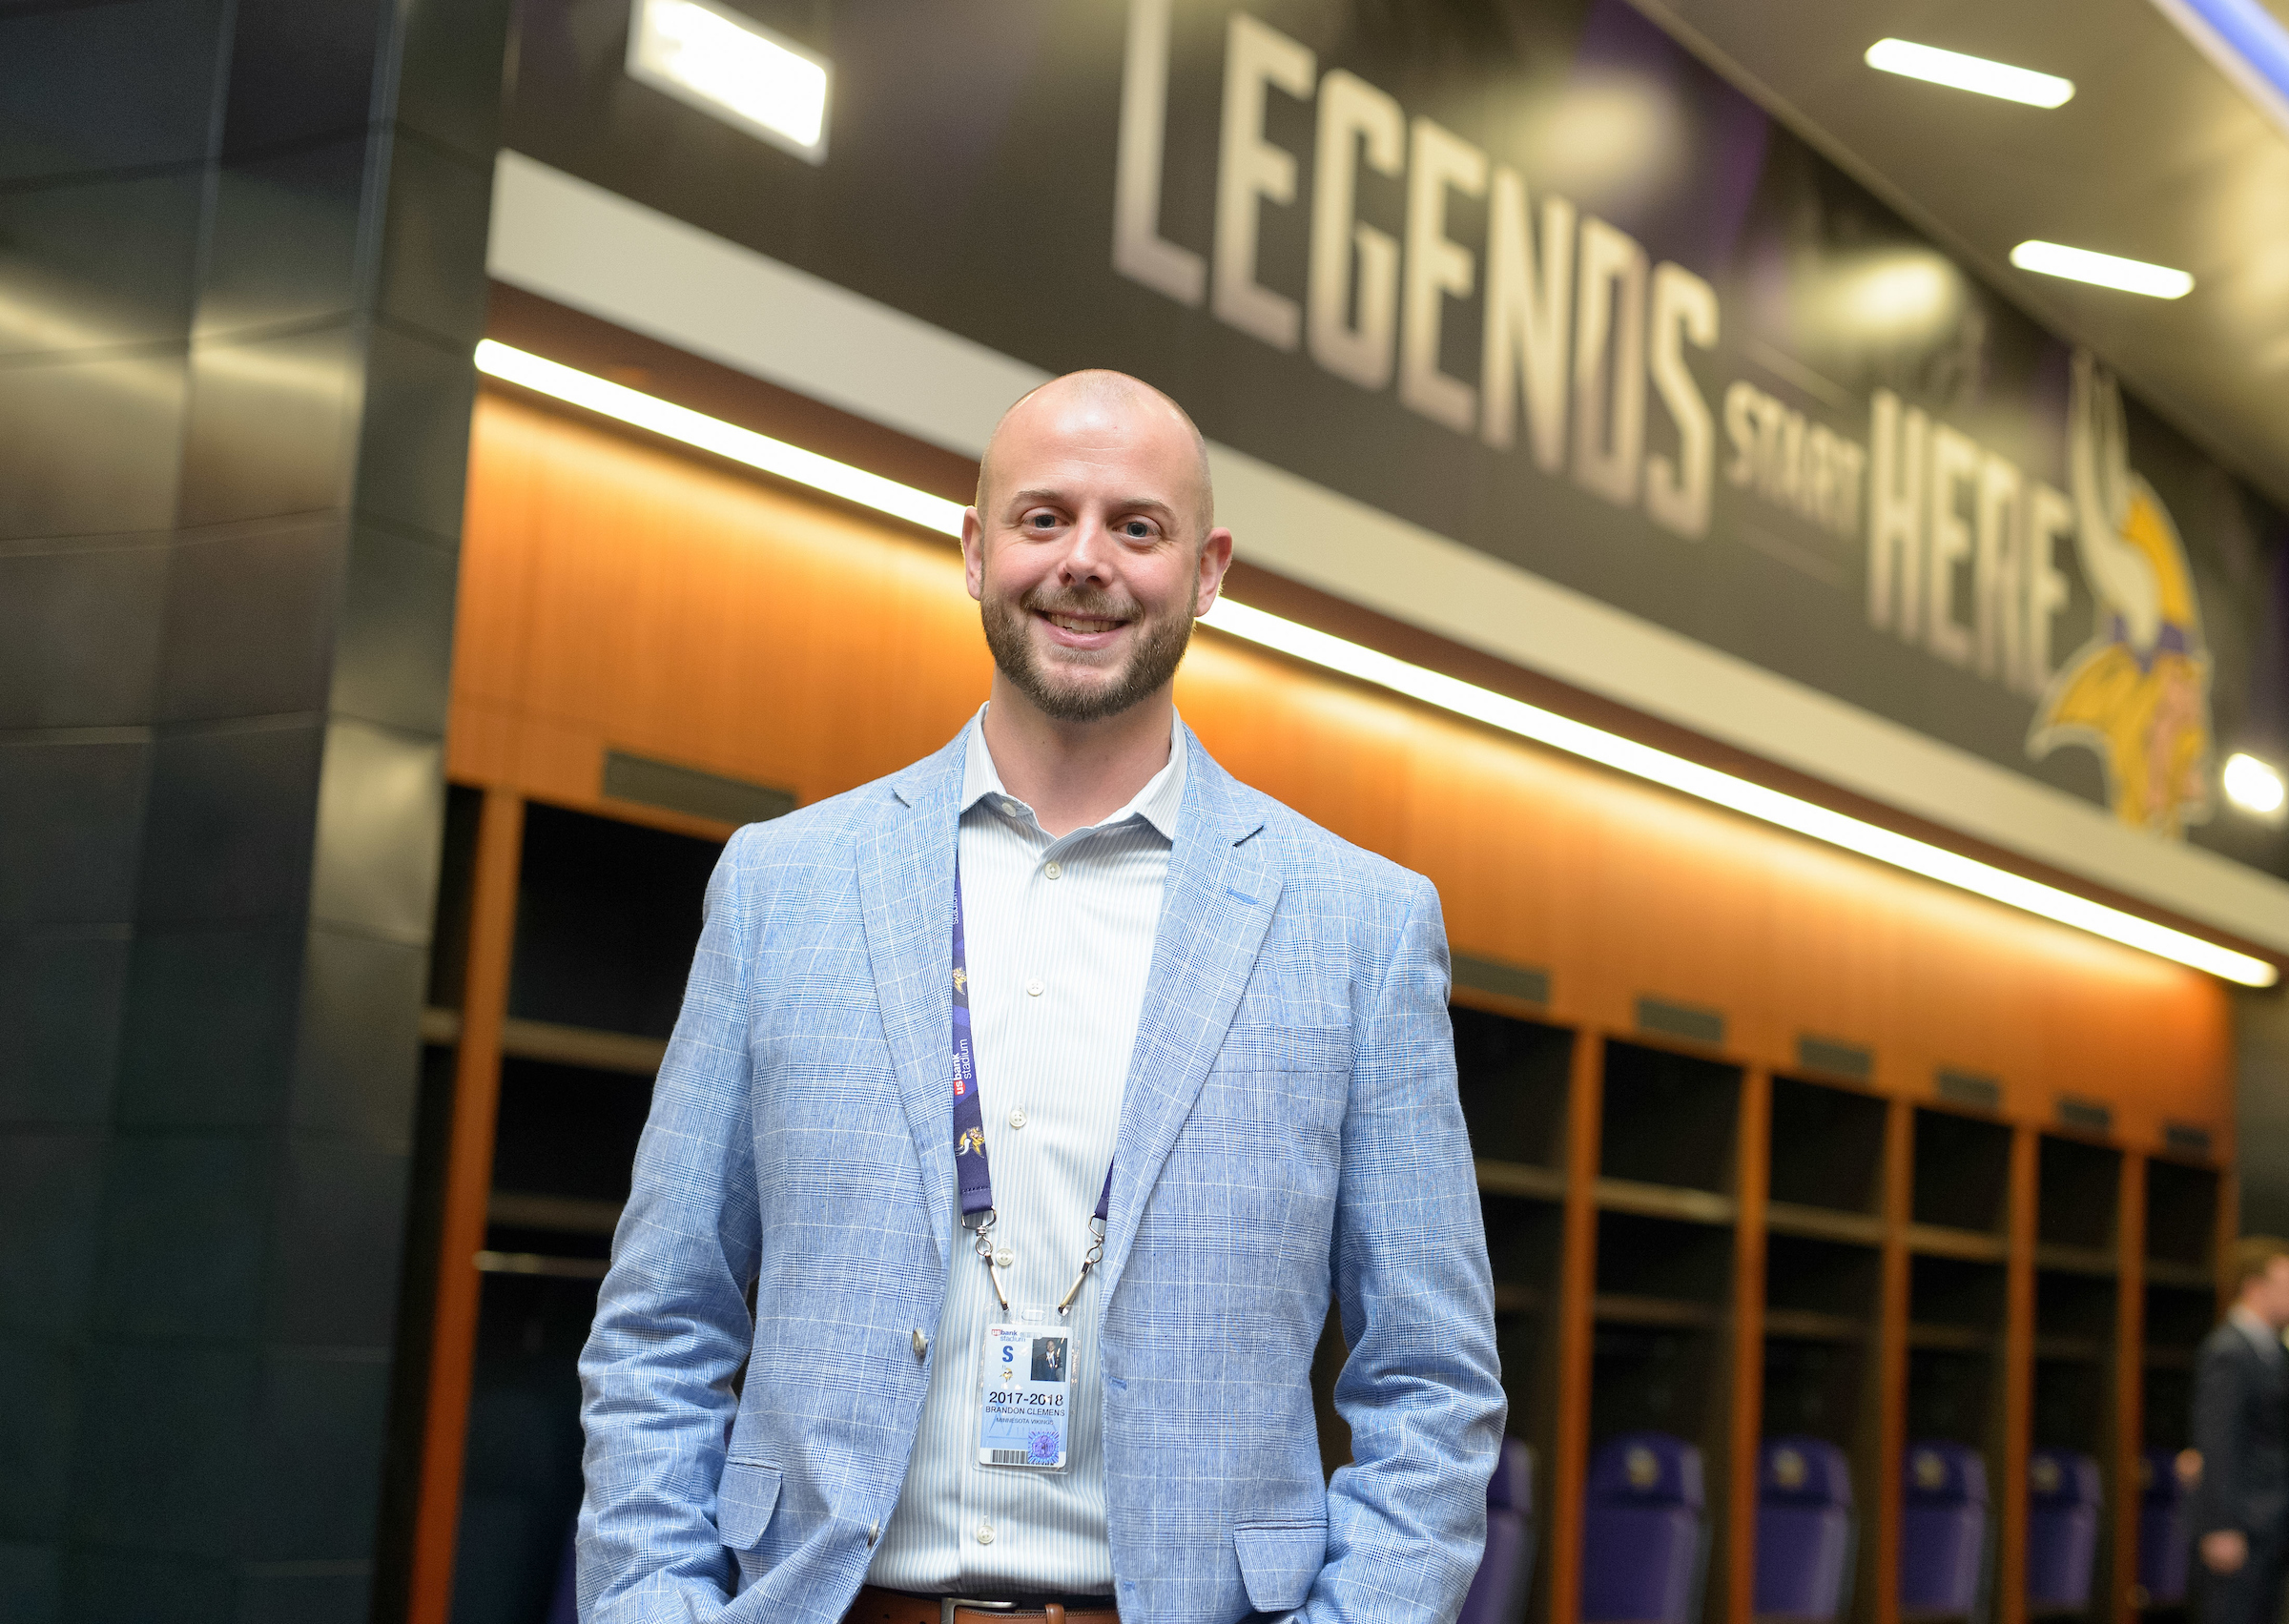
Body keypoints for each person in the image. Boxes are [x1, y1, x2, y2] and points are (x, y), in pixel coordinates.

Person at [575, 369, 1504, 1624]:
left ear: (1210, 568)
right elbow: (660, 1323)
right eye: (1042, 517)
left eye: (1137, 526)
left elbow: (1431, 1380)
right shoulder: (781, 887)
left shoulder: (1359, 930)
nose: (1087, 562)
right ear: (973, 549)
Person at [2190, 1236, 2289, 1624]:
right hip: (2242, 1523)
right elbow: (2217, 1441)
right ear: (2254, 1287)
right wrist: (2220, 1525)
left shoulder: (2274, 1350)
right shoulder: (2228, 1351)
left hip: (2272, 1521)